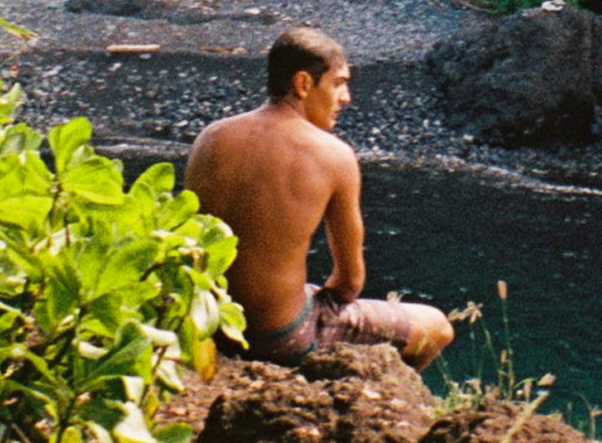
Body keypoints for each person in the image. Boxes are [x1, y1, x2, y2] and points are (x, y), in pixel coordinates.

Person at [185, 23, 453, 371]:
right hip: (279, 338)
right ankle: (382, 391)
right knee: (437, 326)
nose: (346, 97)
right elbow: (349, 284)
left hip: (210, 323)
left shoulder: (211, 137)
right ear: (303, 84)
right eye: (338, 83)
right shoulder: (334, 156)